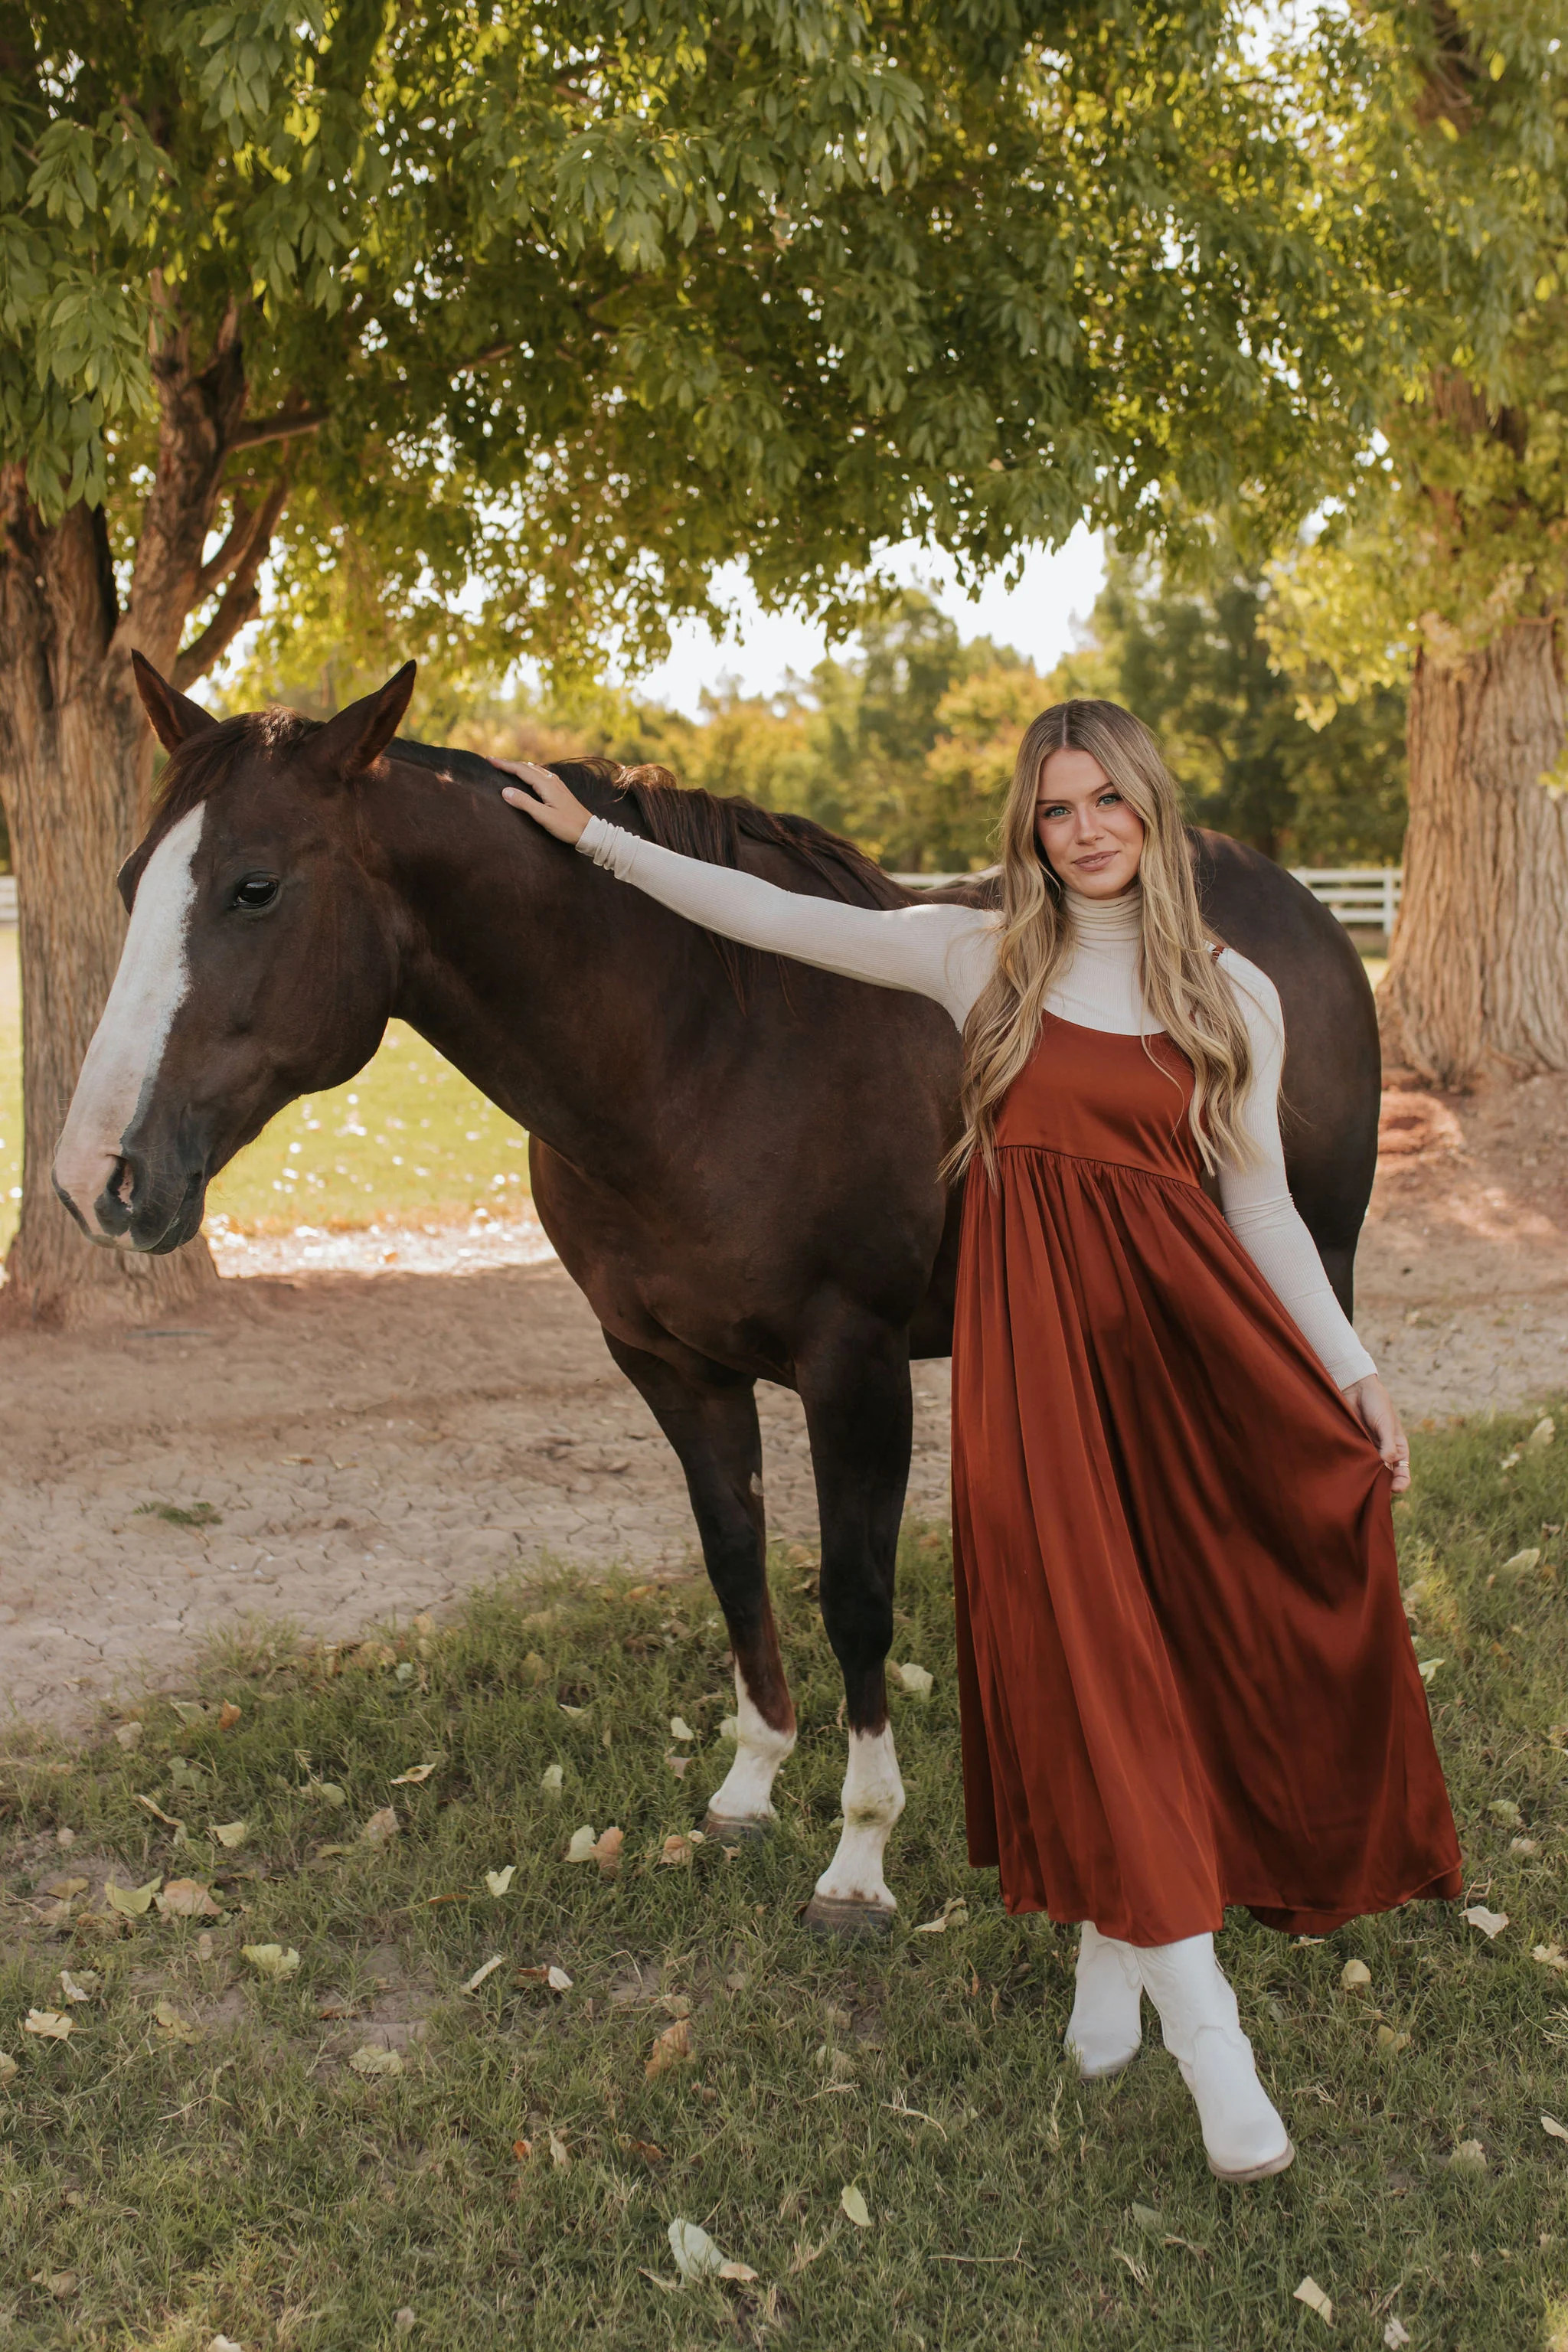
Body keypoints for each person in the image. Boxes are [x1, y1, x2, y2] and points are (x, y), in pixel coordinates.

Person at [491, 699, 1462, 2183]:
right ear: (1030, 825)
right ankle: (1215, 2046)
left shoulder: (1232, 993)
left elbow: (1258, 1204)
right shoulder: (977, 960)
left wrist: (1353, 1368)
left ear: (1147, 806)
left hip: (1182, 1363)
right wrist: (599, 842)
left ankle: (1108, 1943)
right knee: (1079, 1659)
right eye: (1055, 807)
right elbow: (758, 911)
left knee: (1170, 1662)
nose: (1082, 830)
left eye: (1106, 802)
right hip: (1035, 1378)